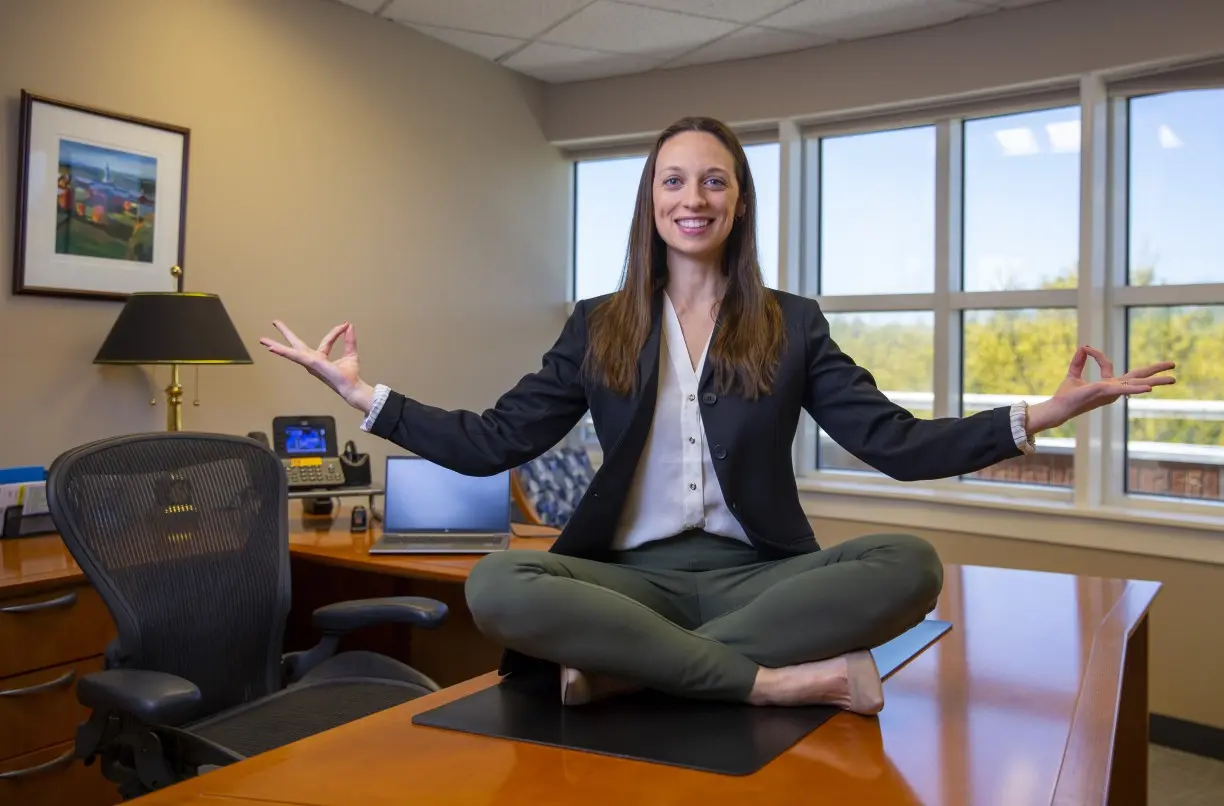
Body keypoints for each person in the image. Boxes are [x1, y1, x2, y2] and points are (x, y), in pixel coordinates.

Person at [261, 116, 1174, 715]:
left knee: (910, 565)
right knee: (503, 586)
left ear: (738, 202)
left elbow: (894, 445)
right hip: (628, 578)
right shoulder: (596, 326)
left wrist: (1043, 413)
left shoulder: (791, 323)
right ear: (649, 201)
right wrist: (363, 396)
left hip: (757, 578)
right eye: (672, 182)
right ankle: (764, 682)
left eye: (713, 183)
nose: (692, 200)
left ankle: (630, 668)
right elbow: (493, 440)